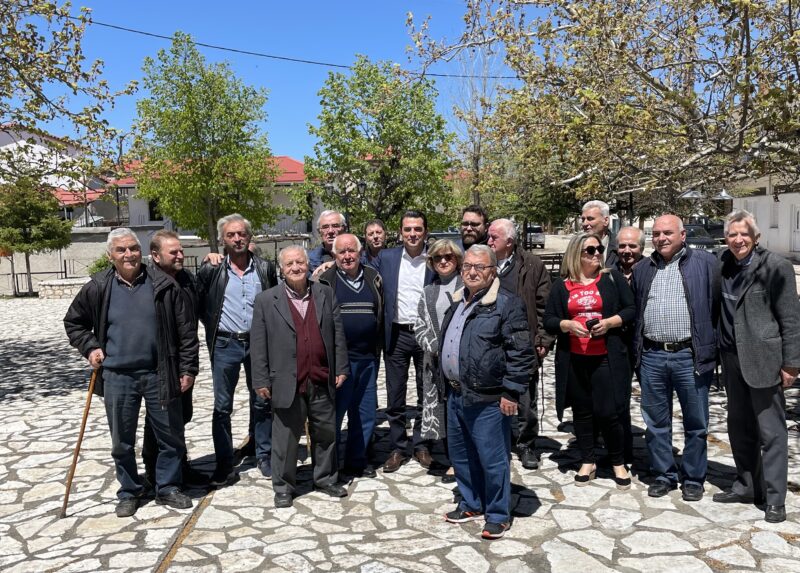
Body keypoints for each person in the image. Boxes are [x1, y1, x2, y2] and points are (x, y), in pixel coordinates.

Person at [64, 228, 198, 517]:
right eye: (121, 250)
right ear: (110, 256)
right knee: (122, 441)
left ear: (142, 251)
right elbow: (74, 323)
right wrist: (90, 348)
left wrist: (188, 368)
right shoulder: (98, 286)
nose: (129, 254)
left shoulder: (163, 284)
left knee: (170, 437)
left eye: (133, 248)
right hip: (117, 376)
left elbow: (187, 332)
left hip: (159, 373)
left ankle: (168, 486)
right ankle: (129, 491)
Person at [440, 245, 535, 540]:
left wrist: (511, 392)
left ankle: (497, 514)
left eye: (480, 267)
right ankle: (471, 502)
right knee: (461, 455)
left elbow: (521, 353)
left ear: (493, 271)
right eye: (467, 266)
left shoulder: (506, 304)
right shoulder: (458, 301)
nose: (472, 272)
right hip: (457, 393)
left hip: (489, 398)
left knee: (493, 460)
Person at [712, 210, 800, 523]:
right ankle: (747, 486)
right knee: (739, 427)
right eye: (732, 234)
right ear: (726, 238)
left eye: (744, 234)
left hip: (764, 359)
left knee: (771, 432)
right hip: (730, 358)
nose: (738, 240)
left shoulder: (776, 266)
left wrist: (792, 364)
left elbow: (791, 318)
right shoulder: (721, 263)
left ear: (756, 237)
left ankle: (775, 499)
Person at [251, 246, 350, 508]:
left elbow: (337, 333)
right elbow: (258, 344)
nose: (295, 267)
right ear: (281, 269)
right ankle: (283, 486)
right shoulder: (266, 300)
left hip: (321, 375)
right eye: (289, 264)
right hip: (286, 379)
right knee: (285, 437)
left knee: (326, 431)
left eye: (300, 262)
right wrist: (260, 379)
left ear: (308, 265)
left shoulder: (325, 293)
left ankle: (325, 478)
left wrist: (341, 367)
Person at [631, 214, 719, 501]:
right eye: (656, 233)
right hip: (652, 355)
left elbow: (717, 304)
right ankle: (663, 474)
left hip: (689, 356)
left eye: (667, 233)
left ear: (682, 235)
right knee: (656, 422)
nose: (661, 238)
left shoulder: (705, 263)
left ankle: (693, 478)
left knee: (696, 422)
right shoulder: (643, 268)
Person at [543, 233, 635, 488]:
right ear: (576, 254)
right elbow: (549, 320)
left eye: (599, 249)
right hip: (574, 358)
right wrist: (567, 324)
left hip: (605, 357)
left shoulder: (611, 278)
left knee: (609, 412)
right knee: (582, 412)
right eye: (590, 250)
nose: (597, 254)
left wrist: (609, 323)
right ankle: (588, 460)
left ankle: (618, 462)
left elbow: (631, 309)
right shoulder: (562, 285)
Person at [196, 214, 278, 486]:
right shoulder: (211, 269)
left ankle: (264, 454)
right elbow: (200, 304)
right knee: (222, 407)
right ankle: (224, 462)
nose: (237, 239)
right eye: (231, 235)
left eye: (241, 234)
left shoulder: (265, 268)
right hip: (225, 344)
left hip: (258, 344)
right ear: (223, 239)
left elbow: (276, 302)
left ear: (249, 237)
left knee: (262, 400)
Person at [487, 218, 553, 471]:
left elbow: (545, 305)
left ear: (510, 241)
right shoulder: (483, 262)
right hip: (490, 343)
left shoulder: (532, 265)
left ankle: (526, 444)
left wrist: (543, 339)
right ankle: (497, 441)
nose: (489, 241)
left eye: (494, 237)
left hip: (523, 342)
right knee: (492, 394)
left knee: (525, 398)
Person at [372, 210, 435, 472]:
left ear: (425, 232)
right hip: (396, 334)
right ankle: (398, 447)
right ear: (400, 232)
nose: (412, 234)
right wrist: (329, 265)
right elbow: (361, 269)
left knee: (425, 392)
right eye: (408, 229)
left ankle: (421, 445)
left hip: (425, 334)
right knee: (395, 395)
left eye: (417, 229)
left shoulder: (434, 258)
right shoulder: (386, 257)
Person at [142, 230, 206, 487]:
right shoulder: (147, 283)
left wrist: (188, 367)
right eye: (174, 252)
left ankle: (180, 466)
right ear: (156, 256)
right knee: (158, 421)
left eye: (181, 250)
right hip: (159, 365)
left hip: (182, 361)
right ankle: (153, 471)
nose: (180, 255)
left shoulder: (186, 279)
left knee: (181, 417)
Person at [318, 234, 384, 478]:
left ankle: (357, 460)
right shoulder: (325, 280)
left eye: (351, 251)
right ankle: (330, 465)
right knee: (335, 414)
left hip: (367, 358)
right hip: (338, 362)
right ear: (334, 255)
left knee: (365, 413)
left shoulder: (373, 277)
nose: (347, 256)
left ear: (360, 252)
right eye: (342, 252)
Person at [413, 239, 463, 483]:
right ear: (431, 262)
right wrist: (433, 346)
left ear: (457, 259)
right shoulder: (428, 291)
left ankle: (463, 461)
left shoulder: (467, 285)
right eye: (437, 258)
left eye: (448, 257)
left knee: (460, 410)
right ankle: (453, 459)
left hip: (461, 363)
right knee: (442, 411)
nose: (443, 261)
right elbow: (419, 324)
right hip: (434, 363)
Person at [611, 225, 646, 463]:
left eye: (632, 246)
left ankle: (659, 457)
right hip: (617, 344)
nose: (626, 250)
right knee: (618, 401)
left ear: (641, 248)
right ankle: (621, 452)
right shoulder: (608, 271)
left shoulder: (651, 269)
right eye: (622, 245)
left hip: (645, 344)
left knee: (654, 403)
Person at [581, 200, 619, 268]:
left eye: (590, 219)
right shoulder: (577, 247)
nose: (585, 223)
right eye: (583, 219)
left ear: (606, 221)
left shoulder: (619, 247)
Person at [308, 210, 346, 276]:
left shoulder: (360, 257)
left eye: (335, 226)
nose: (330, 231)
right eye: (325, 227)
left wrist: (336, 264)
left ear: (344, 228)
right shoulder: (309, 260)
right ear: (319, 231)